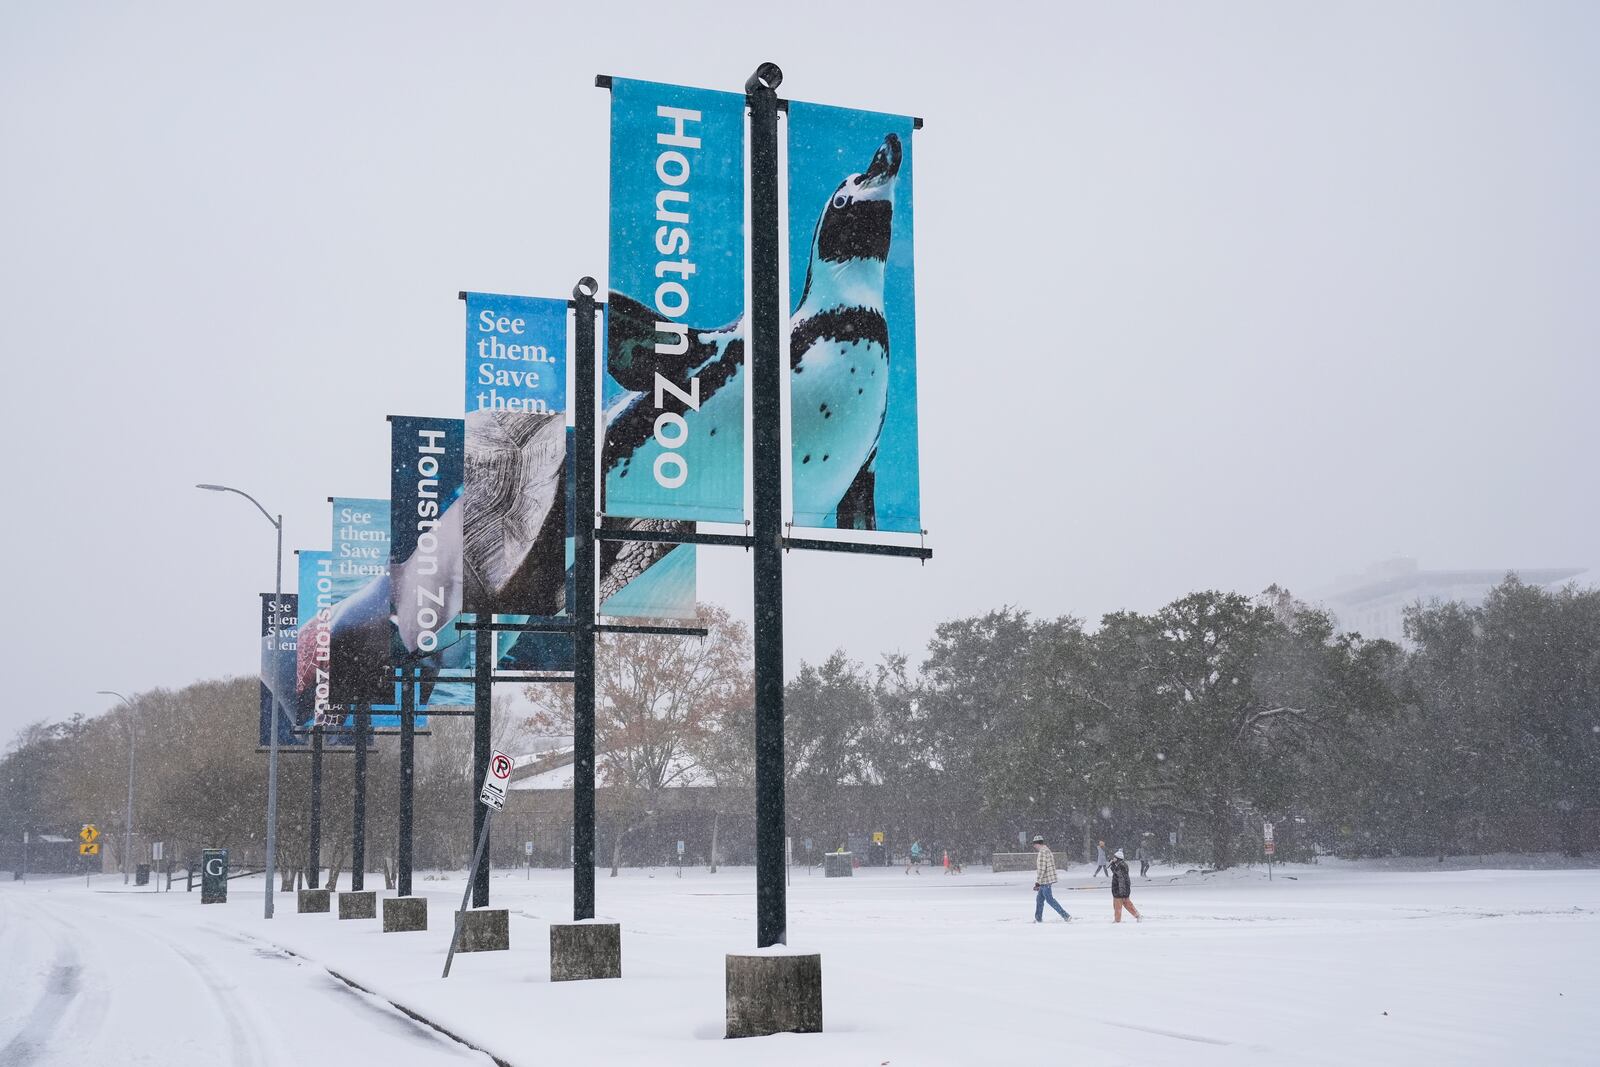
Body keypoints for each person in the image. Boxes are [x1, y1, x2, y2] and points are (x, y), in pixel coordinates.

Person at [1031, 835, 1072, 923]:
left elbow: (1042, 868)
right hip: (1045, 881)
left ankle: (1065, 915)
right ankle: (1038, 918)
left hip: (1045, 881)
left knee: (1050, 900)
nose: (1034, 846)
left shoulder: (1042, 852)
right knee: (1039, 900)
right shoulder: (1047, 850)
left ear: (1038, 844)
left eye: (1034, 844)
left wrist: (1037, 882)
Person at [1109, 848, 1141, 923]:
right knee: (1127, 904)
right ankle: (1137, 915)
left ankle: (1117, 921)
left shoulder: (1121, 866)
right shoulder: (1121, 865)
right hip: (1122, 890)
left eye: (1114, 858)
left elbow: (1120, 878)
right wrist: (1113, 866)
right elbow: (1118, 873)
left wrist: (1121, 892)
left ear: (1118, 859)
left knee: (1118, 906)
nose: (1113, 859)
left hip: (1119, 890)